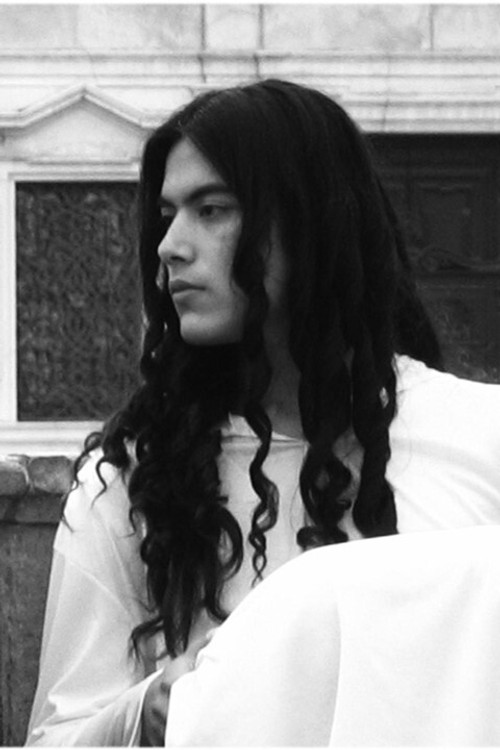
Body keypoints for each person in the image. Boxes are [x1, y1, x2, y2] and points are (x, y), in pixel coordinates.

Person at [26, 79, 500, 747]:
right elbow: (55, 739)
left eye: (212, 210)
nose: (170, 245)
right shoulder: (133, 482)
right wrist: (150, 710)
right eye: (167, 214)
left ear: (310, 224)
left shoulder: (481, 437)